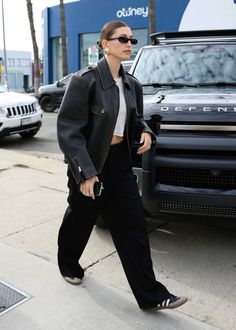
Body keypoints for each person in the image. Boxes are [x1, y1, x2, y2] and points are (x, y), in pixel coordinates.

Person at [57, 20, 188, 311]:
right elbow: (69, 131)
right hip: (90, 161)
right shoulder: (84, 81)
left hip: (119, 164)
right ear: (104, 44)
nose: (129, 43)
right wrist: (86, 173)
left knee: (133, 229)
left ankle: (152, 295)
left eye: (131, 39)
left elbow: (137, 119)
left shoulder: (132, 84)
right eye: (122, 39)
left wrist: (145, 132)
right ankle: (68, 262)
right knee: (80, 219)